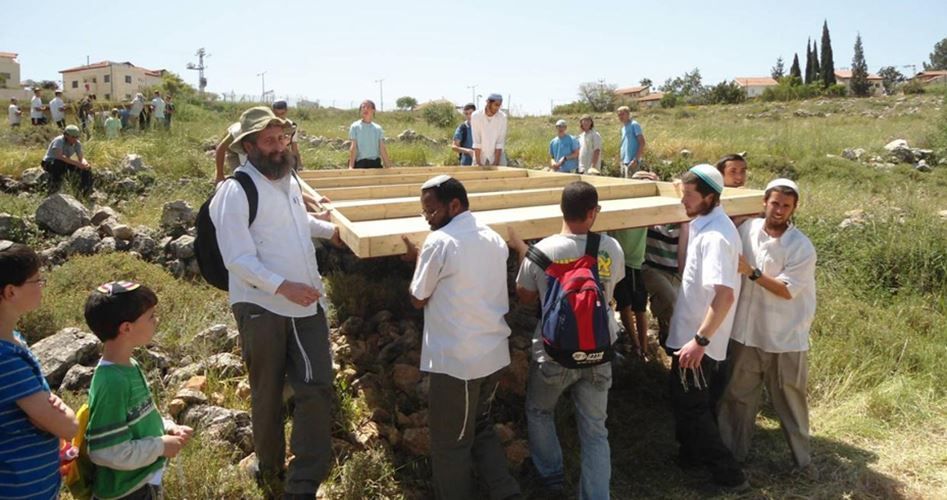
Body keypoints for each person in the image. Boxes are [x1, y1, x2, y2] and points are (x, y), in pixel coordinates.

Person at [210, 106, 341, 499]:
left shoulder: (288, 180)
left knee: (316, 384)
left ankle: (307, 474)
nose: (279, 146)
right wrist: (282, 286)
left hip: (305, 302)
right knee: (266, 390)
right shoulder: (235, 191)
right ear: (248, 146)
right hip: (261, 305)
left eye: (283, 138)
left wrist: (333, 231)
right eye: (269, 140)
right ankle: (268, 466)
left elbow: (296, 224)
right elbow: (237, 258)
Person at [401, 175, 520, 500]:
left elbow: (418, 297)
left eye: (432, 211)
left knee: (449, 444)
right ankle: (505, 491)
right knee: (479, 426)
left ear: (454, 205)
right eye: (424, 211)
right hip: (492, 354)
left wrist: (417, 261)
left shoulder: (440, 243)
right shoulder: (492, 237)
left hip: (458, 365)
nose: (427, 217)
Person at [510, 180, 625, 498]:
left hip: (555, 355)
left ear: (561, 209)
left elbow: (525, 297)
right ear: (592, 212)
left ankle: (551, 478)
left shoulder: (542, 250)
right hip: (599, 353)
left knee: (539, 411)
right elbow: (611, 287)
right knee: (595, 432)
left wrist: (525, 255)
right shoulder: (611, 248)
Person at [717, 179, 818, 477]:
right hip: (747, 334)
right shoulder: (746, 230)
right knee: (737, 396)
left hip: (785, 338)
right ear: (764, 202)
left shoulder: (801, 246)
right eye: (775, 203)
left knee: (790, 401)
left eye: (786, 206)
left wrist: (752, 272)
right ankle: (731, 457)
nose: (779, 210)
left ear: (794, 208)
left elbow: (786, 290)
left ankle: (803, 462)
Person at [666, 164, 747, 490]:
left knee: (691, 408)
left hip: (698, 343)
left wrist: (699, 341)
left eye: (689, 196)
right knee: (693, 404)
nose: (683, 201)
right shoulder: (706, 220)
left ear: (710, 197)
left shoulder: (716, 236)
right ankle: (690, 457)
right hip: (693, 337)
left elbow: (724, 296)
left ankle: (729, 477)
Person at [83, 281, 192, 500]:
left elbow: (139, 417)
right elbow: (105, 451)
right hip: (125, 492)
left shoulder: (129, 365)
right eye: (151, 316)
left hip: (142, 482)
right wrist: (160, 446)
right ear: (126, 328)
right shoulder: (112, 382)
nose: (156, 321)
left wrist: (167, 428)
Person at [0, 242, 79, 500]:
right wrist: (62, 414)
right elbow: (68, 426)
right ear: (10, 292)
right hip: (20, 490)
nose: (42, 285)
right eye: (36, 280)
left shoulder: (15, 340)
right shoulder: (5, 360)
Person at [611, 224, 650, 359]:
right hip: (617, 259)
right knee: (625, 304)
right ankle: (637, 345)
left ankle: (643, 349)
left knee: (639, 307)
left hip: (635, 262)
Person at [41, 125, 93, 196]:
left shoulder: (77, 143)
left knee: (86, 169)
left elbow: (81, 158)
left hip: (64, 162)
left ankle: (85, 192)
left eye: (76, 137)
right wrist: (77, 163)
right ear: (66, 135)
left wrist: (85, 164)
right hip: (50, 162)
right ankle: (54, 188)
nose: (75, 139)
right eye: (73, 137)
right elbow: (59, 156)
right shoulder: (59, 140)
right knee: (58, 163)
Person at [348, 100, 390, 169]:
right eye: (363, 107)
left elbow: (382, 148)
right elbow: (353, 147)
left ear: (373, 110)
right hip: (360, 163)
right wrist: (351, 167)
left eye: (368, 107)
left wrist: (388, 167)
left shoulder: (378, 128)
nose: (365, 109)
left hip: (375, 163)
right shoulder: (355, 126)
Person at [470, 93, 508, 167]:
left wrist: (496, 163)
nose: (497, 108)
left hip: (497, 155)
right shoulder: (476, 116)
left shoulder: (502, 117)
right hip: (480, 155)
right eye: (496, 105)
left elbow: (500, 142)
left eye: (499, 105)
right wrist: (478, 163)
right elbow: (476, 141)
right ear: (488, 102)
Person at [272, 100, 302, 169]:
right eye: (277, 114)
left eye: (282, 114)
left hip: (285, 160)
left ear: (286, 111)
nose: (279, 117)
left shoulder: (292, 126)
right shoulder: (268, 126)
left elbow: (294, 148)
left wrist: (299, 165)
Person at [617, 106, 645, 178]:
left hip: (632, 161)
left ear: (628, 114)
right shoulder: (623, 128)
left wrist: (636, 159)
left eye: (622, 114)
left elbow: (642, 142)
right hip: (624, 161)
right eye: (619, 115)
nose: (620, 117)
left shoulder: (634, 124)